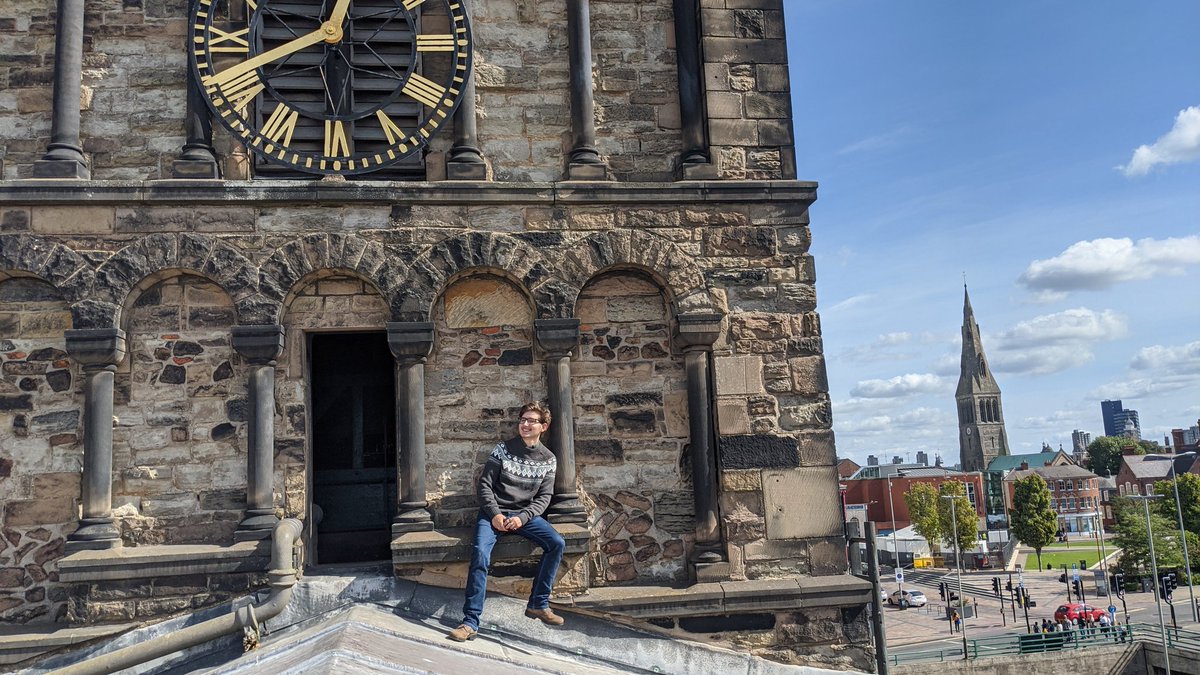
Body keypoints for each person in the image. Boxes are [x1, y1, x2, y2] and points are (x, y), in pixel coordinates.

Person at [448, 402, 567, 642]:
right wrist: (495, 515)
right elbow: (484, 486)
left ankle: (538, 603)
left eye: (531, 421)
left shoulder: (549, 459)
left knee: (557, 543)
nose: (525, 424)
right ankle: (470, 622)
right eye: (522, 420)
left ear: (543, 426)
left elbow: (544, 497)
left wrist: (523, 518)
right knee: (480, 555)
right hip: (494, 514)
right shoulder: (503, 449)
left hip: (524, 515)